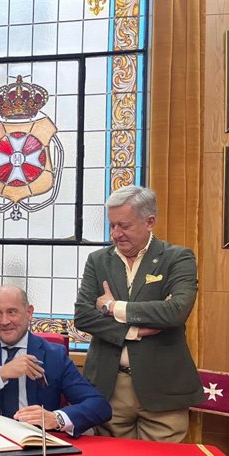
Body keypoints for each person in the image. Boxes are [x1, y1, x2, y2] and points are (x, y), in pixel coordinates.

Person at [74, 185, 203, 442]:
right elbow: (84, 316)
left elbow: (175, 312)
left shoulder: (178, 258)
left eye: (124, 226)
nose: (116, 234)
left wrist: (112, 308)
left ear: (150, 222)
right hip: (109, 386)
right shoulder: (98, 261)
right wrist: (133, 330)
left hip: (163, 389)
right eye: (112, 226)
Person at [0, 286, 111, 437]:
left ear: (29, 312)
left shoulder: (53, 354)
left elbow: (99, 406)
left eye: (12, 312)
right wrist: (2, 373)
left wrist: (56, 419)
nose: (4, 321)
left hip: (36, 442)